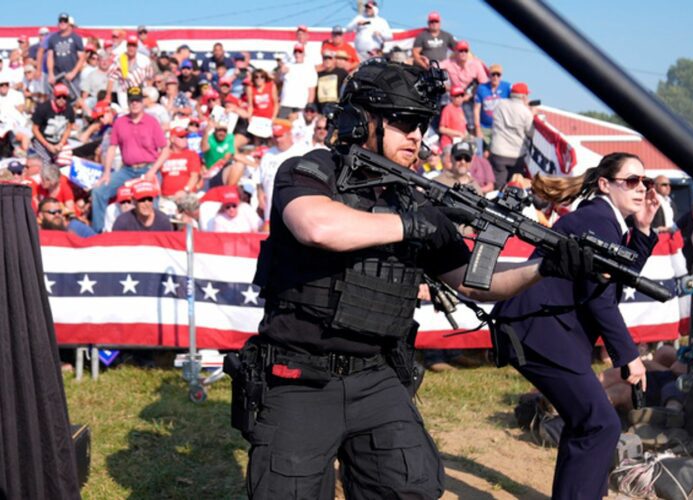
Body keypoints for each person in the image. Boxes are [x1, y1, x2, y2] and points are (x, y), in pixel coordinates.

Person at [242, 58, 591, 499]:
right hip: (300, 378)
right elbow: (318, 227)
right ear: (359, 119)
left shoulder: (416, 199)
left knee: (410, 488)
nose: (416, 136)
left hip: (378, 376)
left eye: (422, 125)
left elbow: (471, 281)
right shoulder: (310, 171)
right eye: (404, 122)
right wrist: (410, 225)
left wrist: (544, 267)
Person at [493, 152, 660, 499]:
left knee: (589, 422)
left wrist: (643, 230)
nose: (641, 188)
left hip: (543, 330)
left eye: (645, 181)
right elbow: (599, 296)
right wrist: (629, 355)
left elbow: (619, 277)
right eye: (631, 180)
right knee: (600, 423)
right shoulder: (598, 220)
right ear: (604, 184)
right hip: (538, 330)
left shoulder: (606, 221)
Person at [91, 86, 168, 233]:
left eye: (137, 100)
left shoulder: (152, 122)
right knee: (98, 191)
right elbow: (112, 147)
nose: (135, 103)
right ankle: (98, 234)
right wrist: (106, 173)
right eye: (132, 100)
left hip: (148, 168)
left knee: (151, 201)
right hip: (127, 170)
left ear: (142, 102)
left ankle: (155, 238)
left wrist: (152, 171)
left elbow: (165, 150)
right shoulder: (120, 122)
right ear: (128, 102)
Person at [489, 81, 533, 190]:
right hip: (516, 155)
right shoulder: (526, 112)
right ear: (523, 96)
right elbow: (531, 133)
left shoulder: (500, 104)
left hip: (498, 151)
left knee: (498, 187)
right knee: (513, 188)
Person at [30, 82, 75, 163]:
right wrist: (47, 145)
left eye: (64, 97)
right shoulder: (43, 108)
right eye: (58, 97)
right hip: (41, 141)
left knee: (66, 161)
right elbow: (34, 129)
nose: (61, 100)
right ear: (54, 96)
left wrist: (61, 143)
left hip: (58, 142)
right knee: (46, 162)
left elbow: (69, 128)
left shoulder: (69, 109)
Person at [473, 64, 511, 148]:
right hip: (484, 127)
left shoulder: (507, 87)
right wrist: (477, 128)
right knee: (479, 151)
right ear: (489, 75)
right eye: (493, 74)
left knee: (495, 152)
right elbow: (476, 109)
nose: (495, 77)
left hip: (500, 128)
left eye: (498, 75)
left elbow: (517, 99)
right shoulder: (481, 88)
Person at [46, 12, 86, 89]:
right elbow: (50, 57)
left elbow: (82, 57)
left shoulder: (76, 38)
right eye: (61, 21)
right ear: (58, 23)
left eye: (65, 21)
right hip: (57, 76)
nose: (63, 23)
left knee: (74, 99)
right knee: (57, 99)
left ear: (68, 23)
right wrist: (50, 74)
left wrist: (73, 73)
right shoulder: (52, 38)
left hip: (72, 77)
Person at [278, 45, 317, 119]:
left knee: (299, 128)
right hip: (286, 103)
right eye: (295, 52)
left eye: (300, 52)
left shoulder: (309, 68)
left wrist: (308, 106)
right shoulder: (287, 66)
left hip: (301, 105)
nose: (297, 54)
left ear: (304, 54)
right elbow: (278, 82)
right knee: (282, 127)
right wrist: (280, 71)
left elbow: (311, 89)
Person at [438, 86, 469, 151]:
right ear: (452, 97)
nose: (460, 98)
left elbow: (463, 127)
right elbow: (441, 129)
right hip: (448, 144)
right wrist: (457, 133)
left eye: (461, 96)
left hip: (459, 143)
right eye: (457, 96)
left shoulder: (460, 109)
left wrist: (466, 134)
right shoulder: (447, 109)